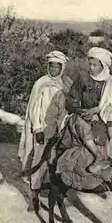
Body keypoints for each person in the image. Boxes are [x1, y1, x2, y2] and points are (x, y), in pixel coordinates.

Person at [66, 47, 112, 173]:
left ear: (103, 66)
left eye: (95, 65)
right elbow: (71, 101)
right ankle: (98, 156)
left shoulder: (110, 81)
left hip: (104, 113)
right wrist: (83, 111)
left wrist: (97, 110)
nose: (91, 68)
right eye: (90, 64)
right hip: (83, 113)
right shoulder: (82, 78)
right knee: (81, 124)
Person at [18, 50, 73, 199]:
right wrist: (37, 129)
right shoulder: (41, 83)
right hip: (44, 127)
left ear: (62, 67)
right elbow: (34, 108)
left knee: (60, 159)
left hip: (62, 128)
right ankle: (34, 193)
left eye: (57, 67)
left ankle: (59, 190)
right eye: (51, 66)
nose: (54, 70)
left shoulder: (67, 83)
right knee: (40, 159)